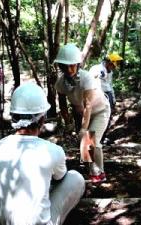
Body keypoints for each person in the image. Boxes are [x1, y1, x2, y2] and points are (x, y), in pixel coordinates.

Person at [0, 82, 85, 225]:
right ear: (42, 119)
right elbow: (60, 179)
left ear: (13, 116)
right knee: (76, 178)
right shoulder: (52, 151)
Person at [54, 43, 111, 183]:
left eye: (72, 65)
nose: (69, 69)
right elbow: (62, 102)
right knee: (84, 143)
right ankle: (92, 171)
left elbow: (88, 105)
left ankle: (100, 173)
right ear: (60, 66)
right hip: (81, 112)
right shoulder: (61, 82)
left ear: (78, 64)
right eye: (65, 66)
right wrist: (67, 121)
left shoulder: (86, 78)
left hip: (99, 111)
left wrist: (84, 128)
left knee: (91, 140)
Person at [89, 53, 123, 144]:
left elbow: (110, 85)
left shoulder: (110, 72)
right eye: (114, 64)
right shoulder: (97, 69)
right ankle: (92, 139)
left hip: (108, 95)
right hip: (98, 95)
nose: (114, 66)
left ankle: (102, 138)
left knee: (107, 117)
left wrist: (114, 99)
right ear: (108, 62)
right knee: (96, 117)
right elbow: (92, 82)